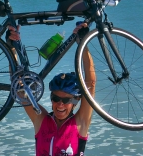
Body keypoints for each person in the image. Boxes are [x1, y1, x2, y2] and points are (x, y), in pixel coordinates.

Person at [7, 23, 96, 156]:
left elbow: (91, 84)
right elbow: (19, 88)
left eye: (66, 100)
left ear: (76, 101)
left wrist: (82, 44)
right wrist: (11, 48)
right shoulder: (42, 120)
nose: (60, 104)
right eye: (56, 98)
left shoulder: (79, 123)